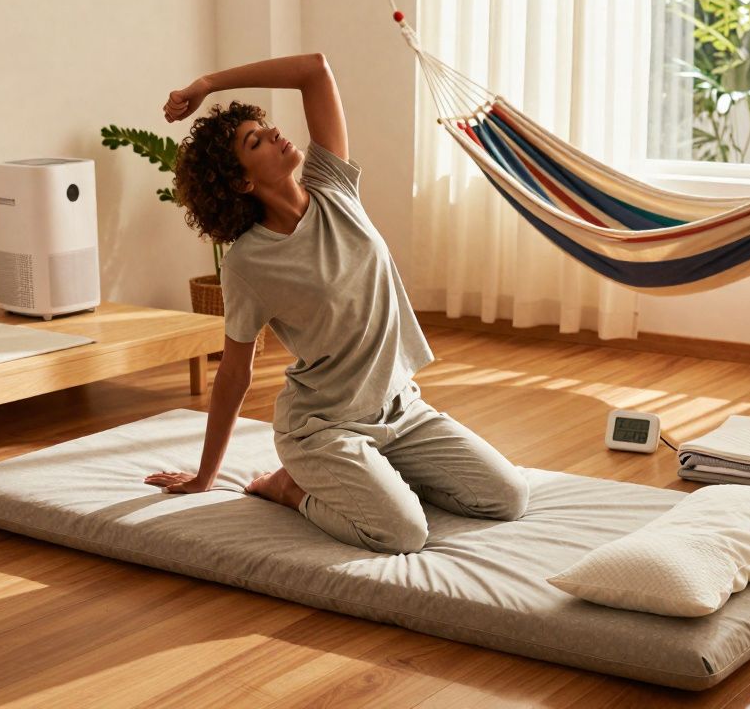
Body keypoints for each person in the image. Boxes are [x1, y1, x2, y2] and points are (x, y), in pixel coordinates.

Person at [144, 53, 529, 555]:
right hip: (323, 429)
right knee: (402, 534)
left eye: (265, 126)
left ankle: (378, 474)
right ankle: (290, 487)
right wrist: (205, 476)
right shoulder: (247, 264)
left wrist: (209, 83)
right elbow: (235, 372)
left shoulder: (333, 187)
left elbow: (316, 70)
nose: (275, 133)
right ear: (242, 182)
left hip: (400, 408)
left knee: (507, 497)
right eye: (255, 141)